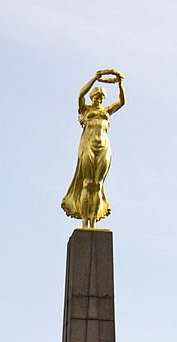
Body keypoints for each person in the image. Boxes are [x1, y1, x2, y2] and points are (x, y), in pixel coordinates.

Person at [62, 69, 125, 229]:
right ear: (92, 97)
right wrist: (95, 79)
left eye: (101, 97)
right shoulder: (86, 110)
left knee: (97, 184)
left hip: (104, 146)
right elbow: (80, 95)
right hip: (88, 145)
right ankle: (84, 222)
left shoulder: (107, 111)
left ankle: (93, 222)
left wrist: (120, 84)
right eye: (96, 96)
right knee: (87, 183)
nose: (99, 99)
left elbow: (122, 101)